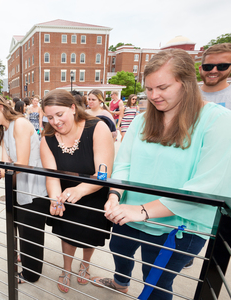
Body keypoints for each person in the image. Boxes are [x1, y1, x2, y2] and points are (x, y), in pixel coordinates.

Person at [92, 49, 231, 299]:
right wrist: (114, 196)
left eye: (163, 87)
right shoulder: (142, 120)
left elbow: (206, 186)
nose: (154, 96)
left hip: (177, 227)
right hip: (128, 215)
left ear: (187, 83)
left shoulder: (218, 121)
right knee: (119, 250)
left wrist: (143, 210)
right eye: (149, 88)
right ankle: (120, 281)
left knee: (155, 284)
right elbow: (124, 164)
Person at [40, 89, 114, 293]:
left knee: (89, 235)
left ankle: (85, 264)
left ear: (73, 108)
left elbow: (102, 174)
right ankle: (66, 269)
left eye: (59, 114)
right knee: (66, 234)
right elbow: (51, 175)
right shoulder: (47, 137)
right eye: (49, 117)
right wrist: (55, 198)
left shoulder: (97, 127)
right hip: (64, 193)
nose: (55, 121)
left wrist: (81, 190)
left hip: (93, 193)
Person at [0, 92, 48, 284]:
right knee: (21, 227)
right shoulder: (5, 128)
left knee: (31, 232)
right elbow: (6, 164)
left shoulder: (20, 124)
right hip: (18, 186)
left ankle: (31, 274)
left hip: (33, 188)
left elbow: (21, 164)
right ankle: (27, 256)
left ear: (0, 107)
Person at [199, 43, 231, 109]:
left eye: (222, 66)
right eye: (208, 66)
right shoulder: (185, 96)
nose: (213, 71)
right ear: (200, 69)